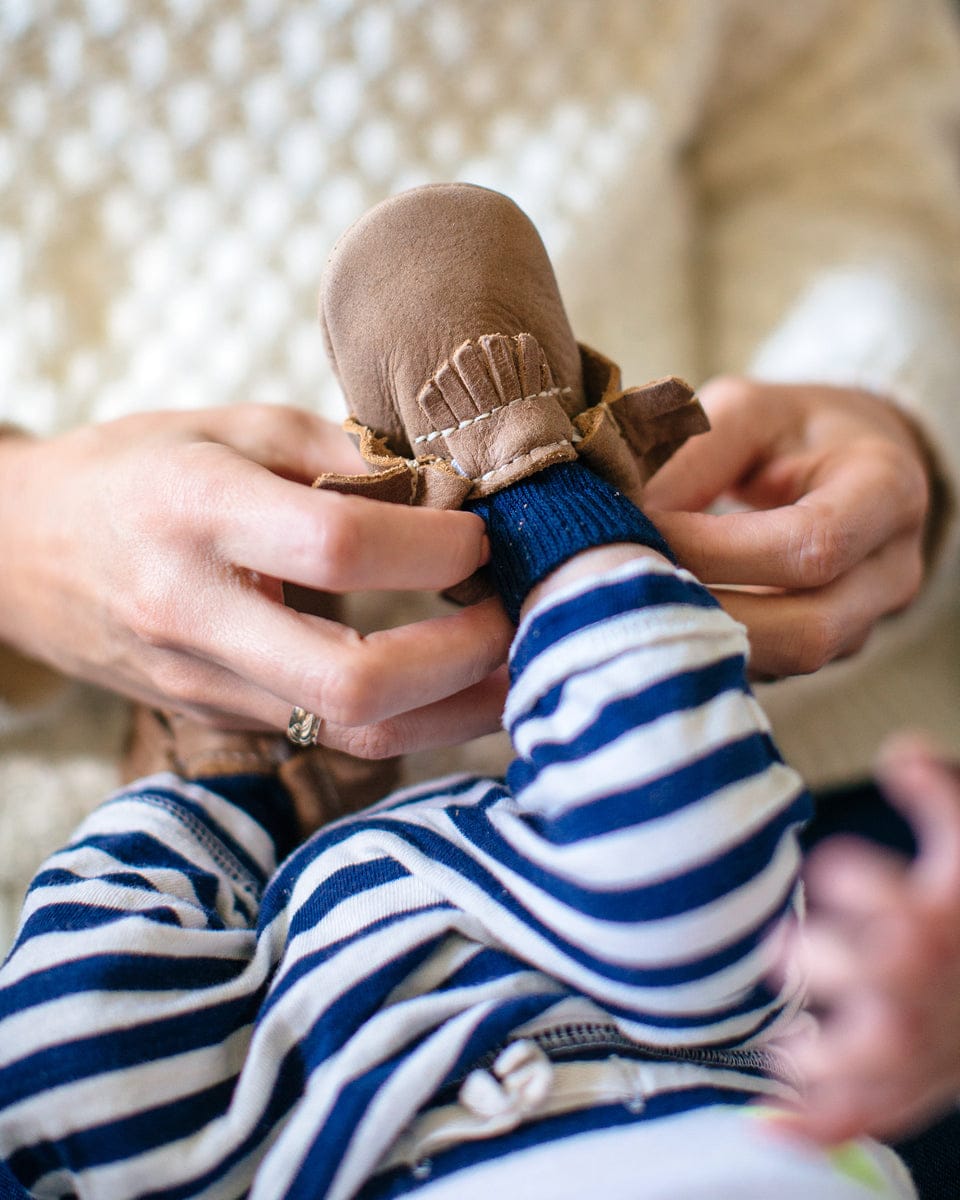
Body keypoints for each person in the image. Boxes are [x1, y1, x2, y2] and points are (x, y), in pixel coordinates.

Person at [2, 3, 960, 952]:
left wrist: (881, 397)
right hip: (84, 847)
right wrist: (21, 534)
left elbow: (842, 126)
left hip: (791, 750)